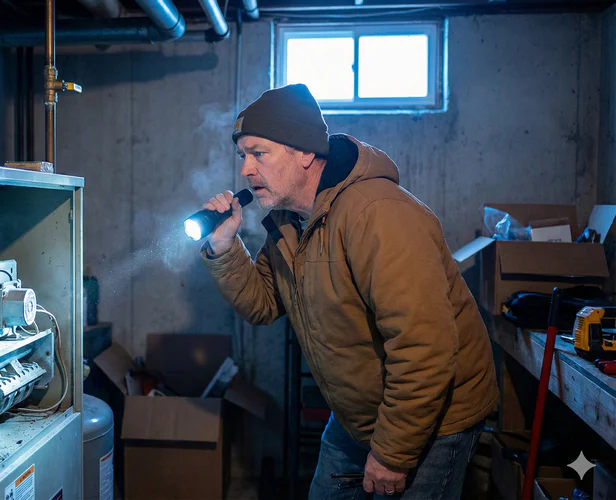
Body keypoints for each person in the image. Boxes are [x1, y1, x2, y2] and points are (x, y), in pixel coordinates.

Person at [198, 84, 499, 499]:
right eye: (243, 156)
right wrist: (223, 246)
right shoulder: (289, 221)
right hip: (361, 411)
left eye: (259, 153)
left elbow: (424, 346)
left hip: (432, 416)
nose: (246, 169)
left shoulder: (379, 215)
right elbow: (263, 305)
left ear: (304, 152)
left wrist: (392, 454)